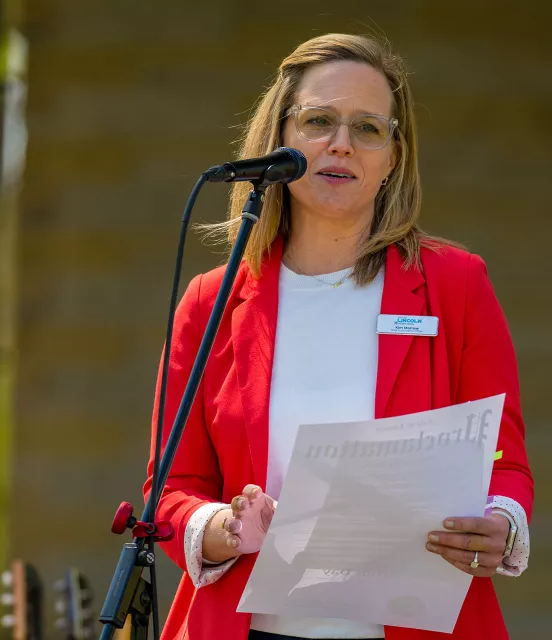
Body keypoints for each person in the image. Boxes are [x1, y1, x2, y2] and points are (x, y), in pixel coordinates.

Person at [143, 33, 533, 640]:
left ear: (394, 155)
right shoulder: (210, 302)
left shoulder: (456, 285)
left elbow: (505, 462)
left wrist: (500, 522)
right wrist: (224, 526)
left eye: (368, 129)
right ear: (282, 137)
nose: (341, 145)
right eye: (318, 120)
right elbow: (170, 491)